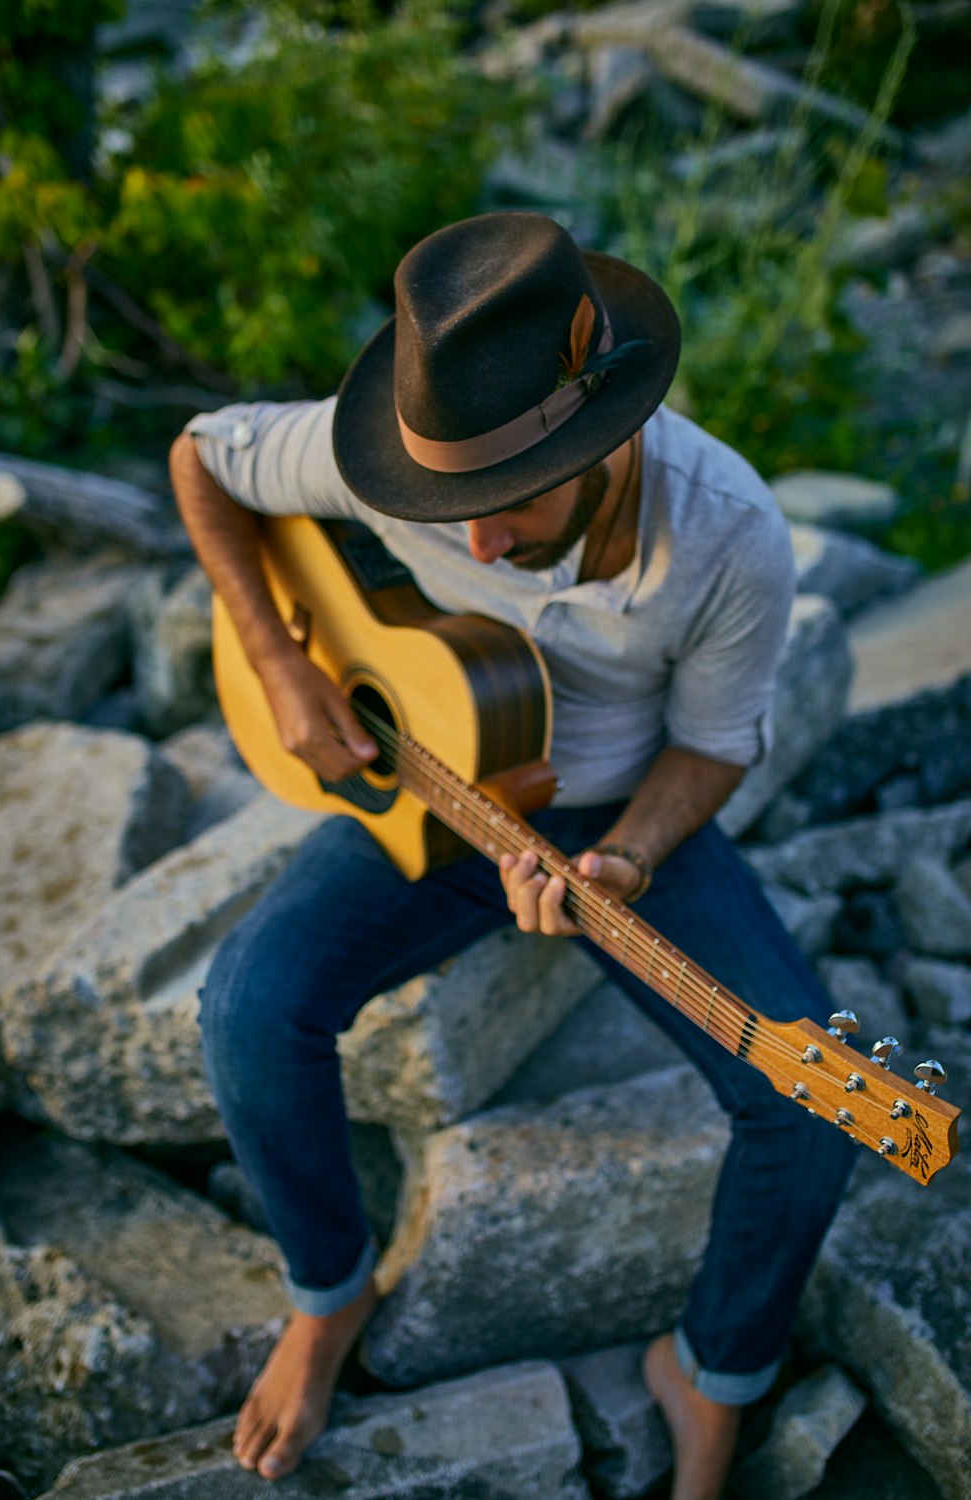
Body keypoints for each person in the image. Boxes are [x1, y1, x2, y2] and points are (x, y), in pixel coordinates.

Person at [170, 210, 855, 1499]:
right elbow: (199, 459)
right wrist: (278, 660)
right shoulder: (374, 456)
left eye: (507, 504)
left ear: (606, 437)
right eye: (449, 506)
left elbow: (712, 751)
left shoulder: (730, 536)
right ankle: (329, 1292)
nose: (474, 543)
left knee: (810, 1099)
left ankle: (711, 1378)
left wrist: (634, 858)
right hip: (429, 787)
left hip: (618, 815)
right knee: (249, 1008)